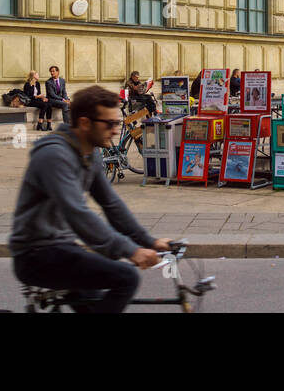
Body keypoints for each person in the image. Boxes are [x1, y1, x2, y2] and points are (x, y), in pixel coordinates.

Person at [9, 86, 173, 313]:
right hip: (35, 255)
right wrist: (130, 251)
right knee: (126, 278)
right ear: (85, 123)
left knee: (94, 304)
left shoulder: (89, 152)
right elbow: (78, 213)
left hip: (61, 247)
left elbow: (111, 204)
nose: (116, 131)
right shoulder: (54, 156)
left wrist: (148, 241)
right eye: (110, 124)